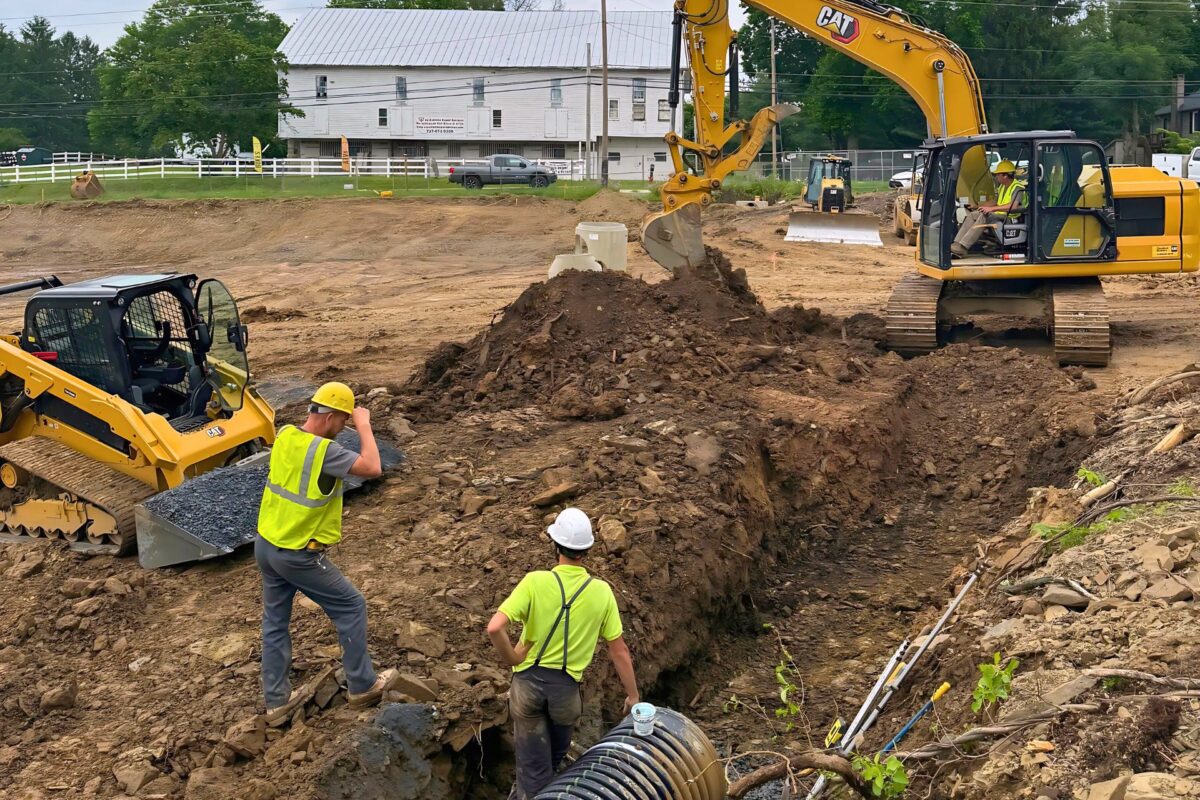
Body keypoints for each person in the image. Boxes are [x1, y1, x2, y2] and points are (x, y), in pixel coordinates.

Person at [256, 381, 397, 720]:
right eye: (344, 421)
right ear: (331, 416)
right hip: (297, 553)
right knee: (351, 606)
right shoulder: (324, 452)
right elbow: (373, 467)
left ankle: (276, 702)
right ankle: (363, 685)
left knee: (275, 621)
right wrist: (364, 425)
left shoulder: (286, 435)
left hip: (266, 544)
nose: (344, 427)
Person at [487, 508, 640, 799]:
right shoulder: (602, 592)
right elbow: (619, 651)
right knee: (551, 766)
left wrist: (513, 659)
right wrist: (633, 696)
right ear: (587, 550)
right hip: (566, 695)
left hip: (527, 689)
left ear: (555, 545)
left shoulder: (534, 582)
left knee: (534, 774)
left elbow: (495, 627)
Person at [951, 159, 1026, 258]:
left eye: (998, 174)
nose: (996, 177)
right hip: (1000, 215)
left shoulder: (1018, 187)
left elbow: (1014, 206)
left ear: (1005, 175)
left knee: (985, 215)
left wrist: (991, 209)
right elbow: (995, 201)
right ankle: (957, 244)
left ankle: (964, 246)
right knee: (973, 215)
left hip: (1011, 218)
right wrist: (978, 206)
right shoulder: (1002, 187)